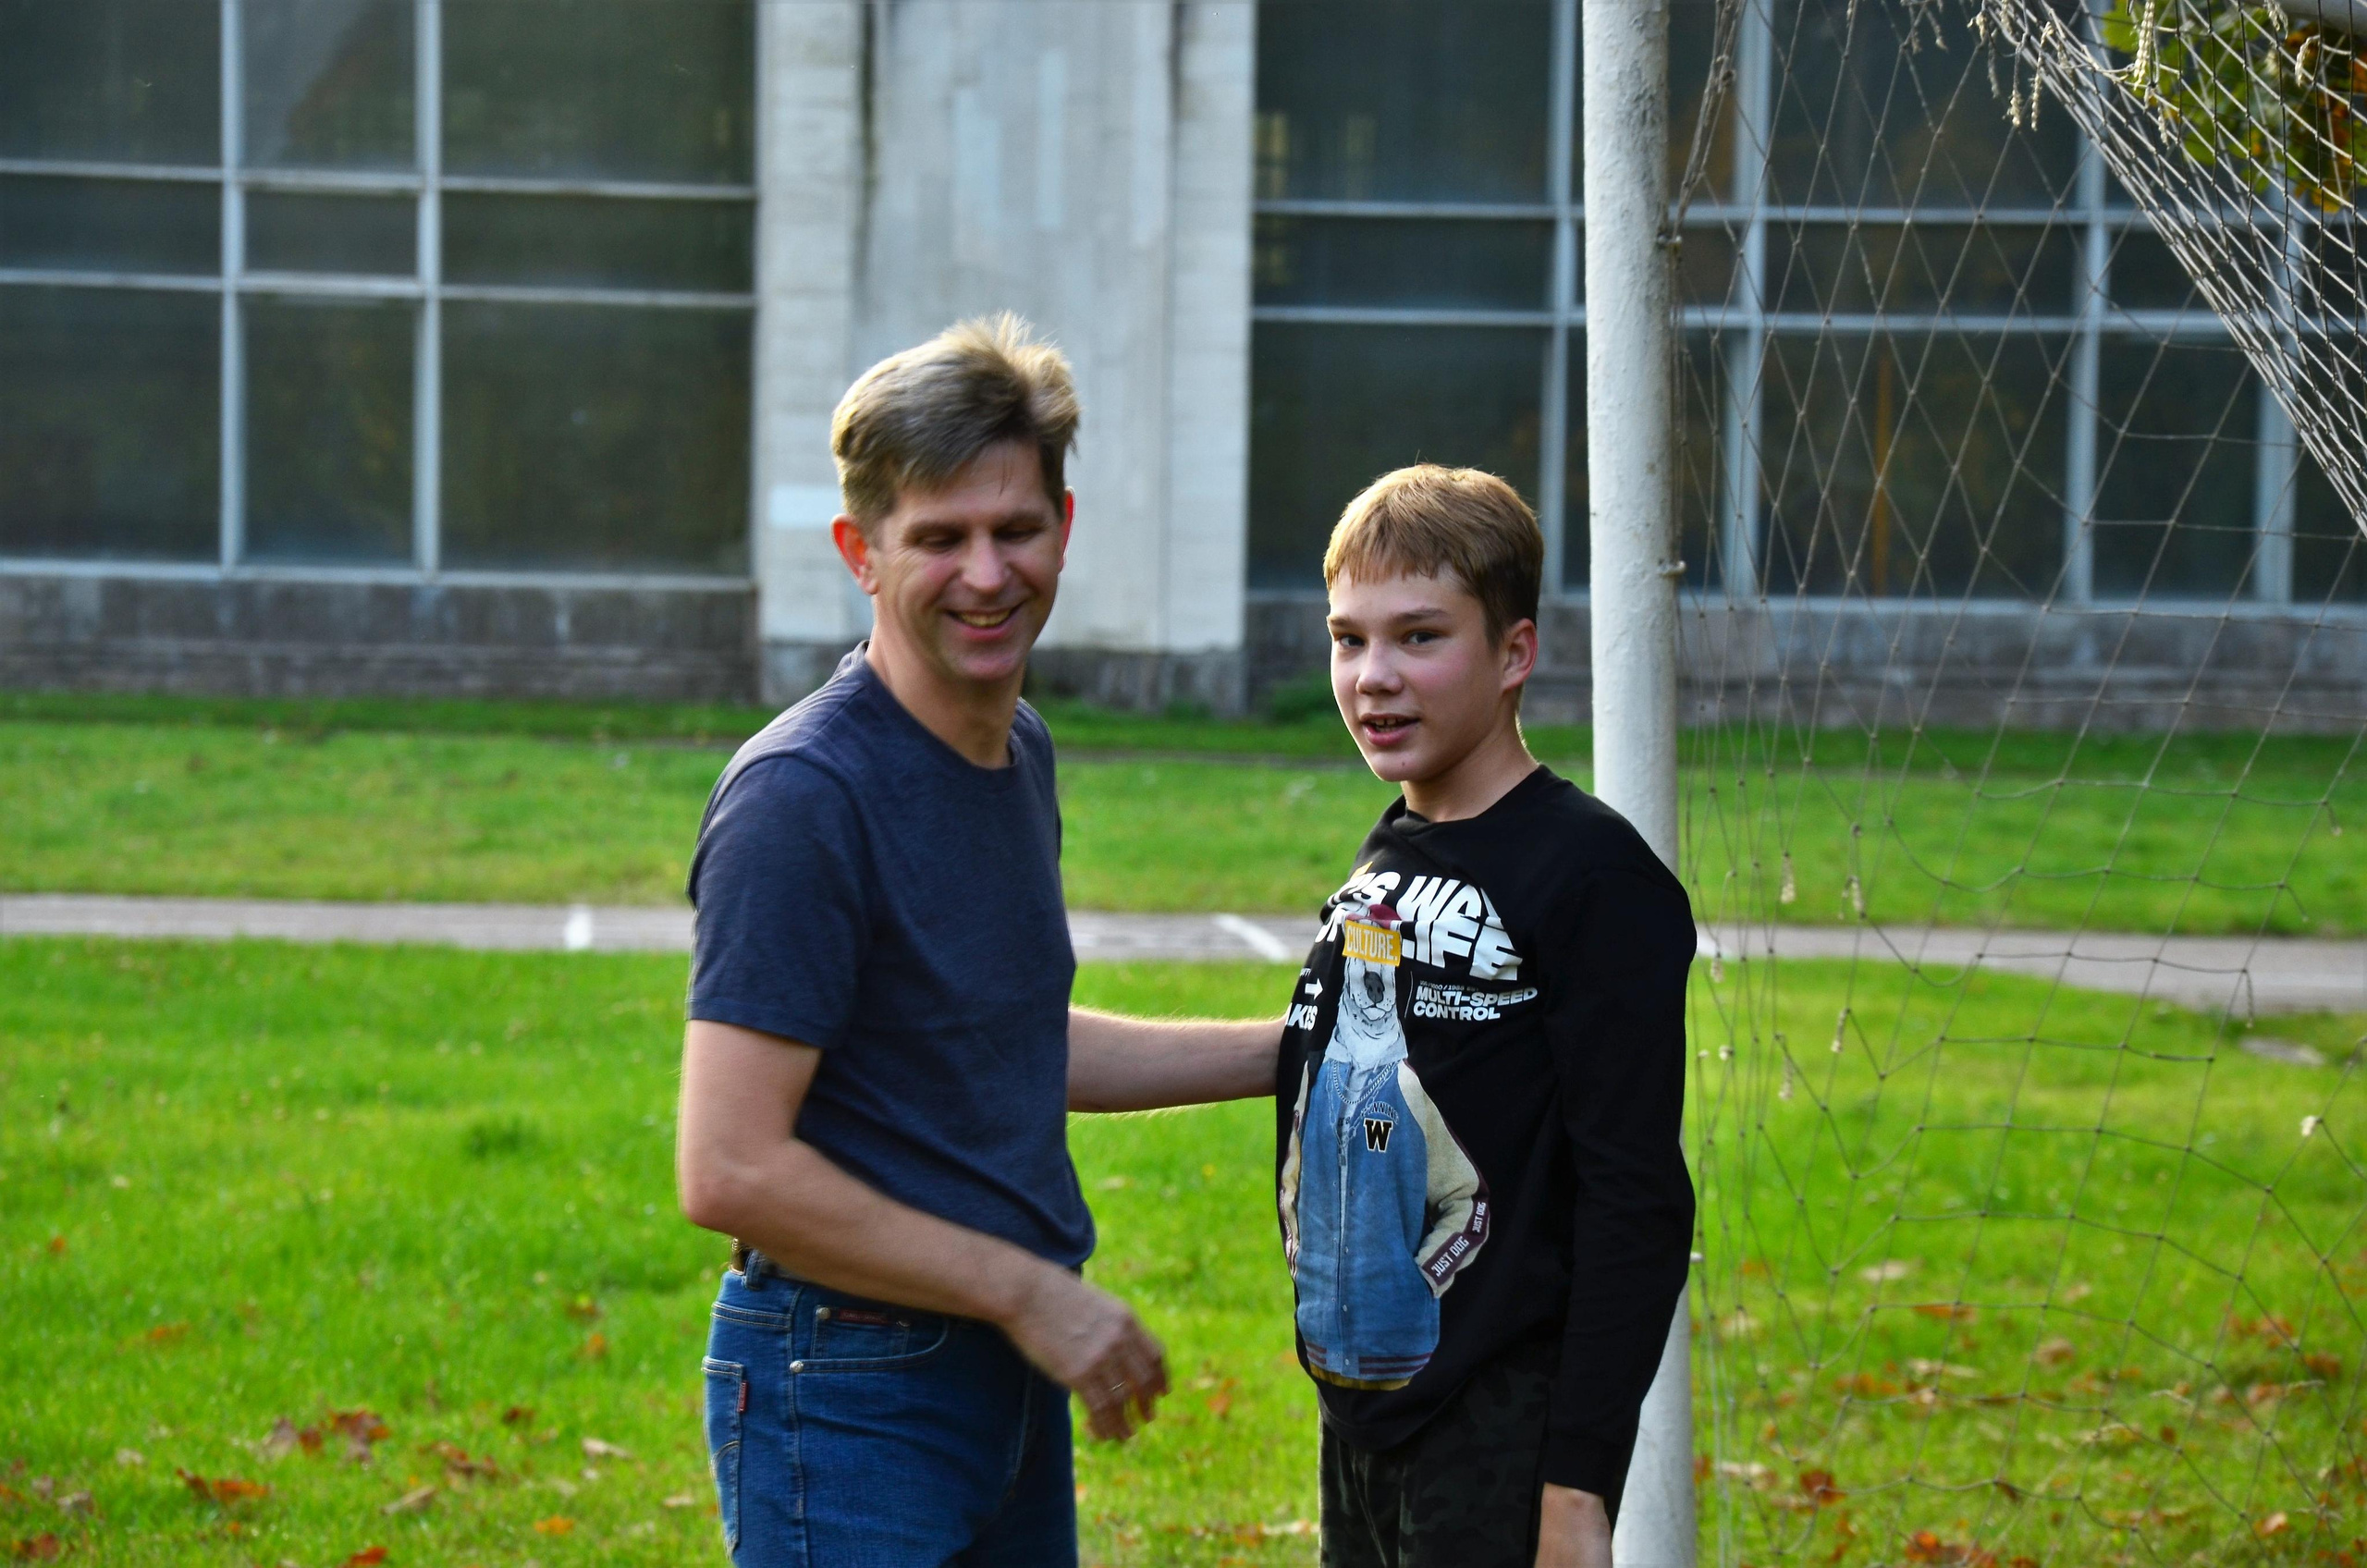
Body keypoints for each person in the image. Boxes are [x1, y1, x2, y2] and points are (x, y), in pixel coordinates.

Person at [673, 314, 1277, 1568]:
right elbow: (728, 1169)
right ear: (862, 552)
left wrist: (1296, 1046)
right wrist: (1030, 1291)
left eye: (1017, 529)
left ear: (1067, 524)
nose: (989, 573)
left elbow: (994, 1045)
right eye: (939, 538)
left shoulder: (1018, 751)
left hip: (997, 1377)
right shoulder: (804, 798)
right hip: (848, 1382)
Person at [1274, 464, 1696, 1568]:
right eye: (1347, 638)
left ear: (1515, 653)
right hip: (1366, 1407)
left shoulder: (1594, 876)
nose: (1372, 678)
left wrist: (1577, 1493)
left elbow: (1636, 1199)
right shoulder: (1392, 852)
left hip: (1497, 1428)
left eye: (1418, 637)